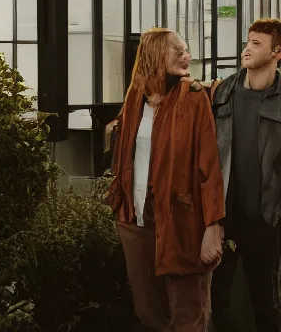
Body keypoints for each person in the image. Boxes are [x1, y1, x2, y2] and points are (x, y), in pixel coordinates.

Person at [106, 28, 225, 332]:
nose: (188, 57)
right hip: (137, 221)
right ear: (156, 54)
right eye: (178, 51)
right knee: (149, 313)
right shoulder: (135, 98)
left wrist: (213, 226)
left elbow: (209, 167)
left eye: (187, 51)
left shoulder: (194, 98)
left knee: (188, 313)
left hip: (181, 220)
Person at [207, 19, 281, 332]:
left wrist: (278, 213)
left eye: (256, 44)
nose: (246, 50)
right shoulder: (221, 92)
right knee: (217, 305)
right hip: (221, 221)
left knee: (266, 307)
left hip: (265, 223)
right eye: (247, 42)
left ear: (276, 52)